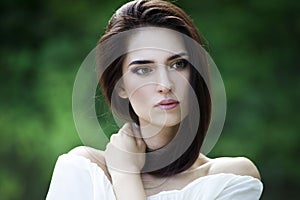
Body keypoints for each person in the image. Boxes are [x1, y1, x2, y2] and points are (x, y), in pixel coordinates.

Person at [46, 0, 263, 199]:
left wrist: (126, 176)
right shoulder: (86, 169)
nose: (165, 85)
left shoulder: (229, 178)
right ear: (120, 86)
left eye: (178, 64)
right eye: (143, 70)